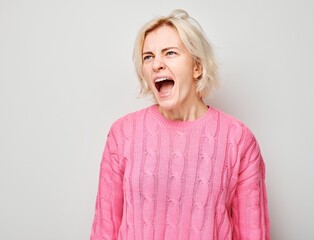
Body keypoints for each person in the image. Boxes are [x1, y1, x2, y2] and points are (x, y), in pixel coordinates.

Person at [90, 9, 270, 240]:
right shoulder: (122, 134)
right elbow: (105, 231)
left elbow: (253, 233)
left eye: (170, 53)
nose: (157, 64)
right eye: (148, 56)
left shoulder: (238, 139)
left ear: (197, 67)